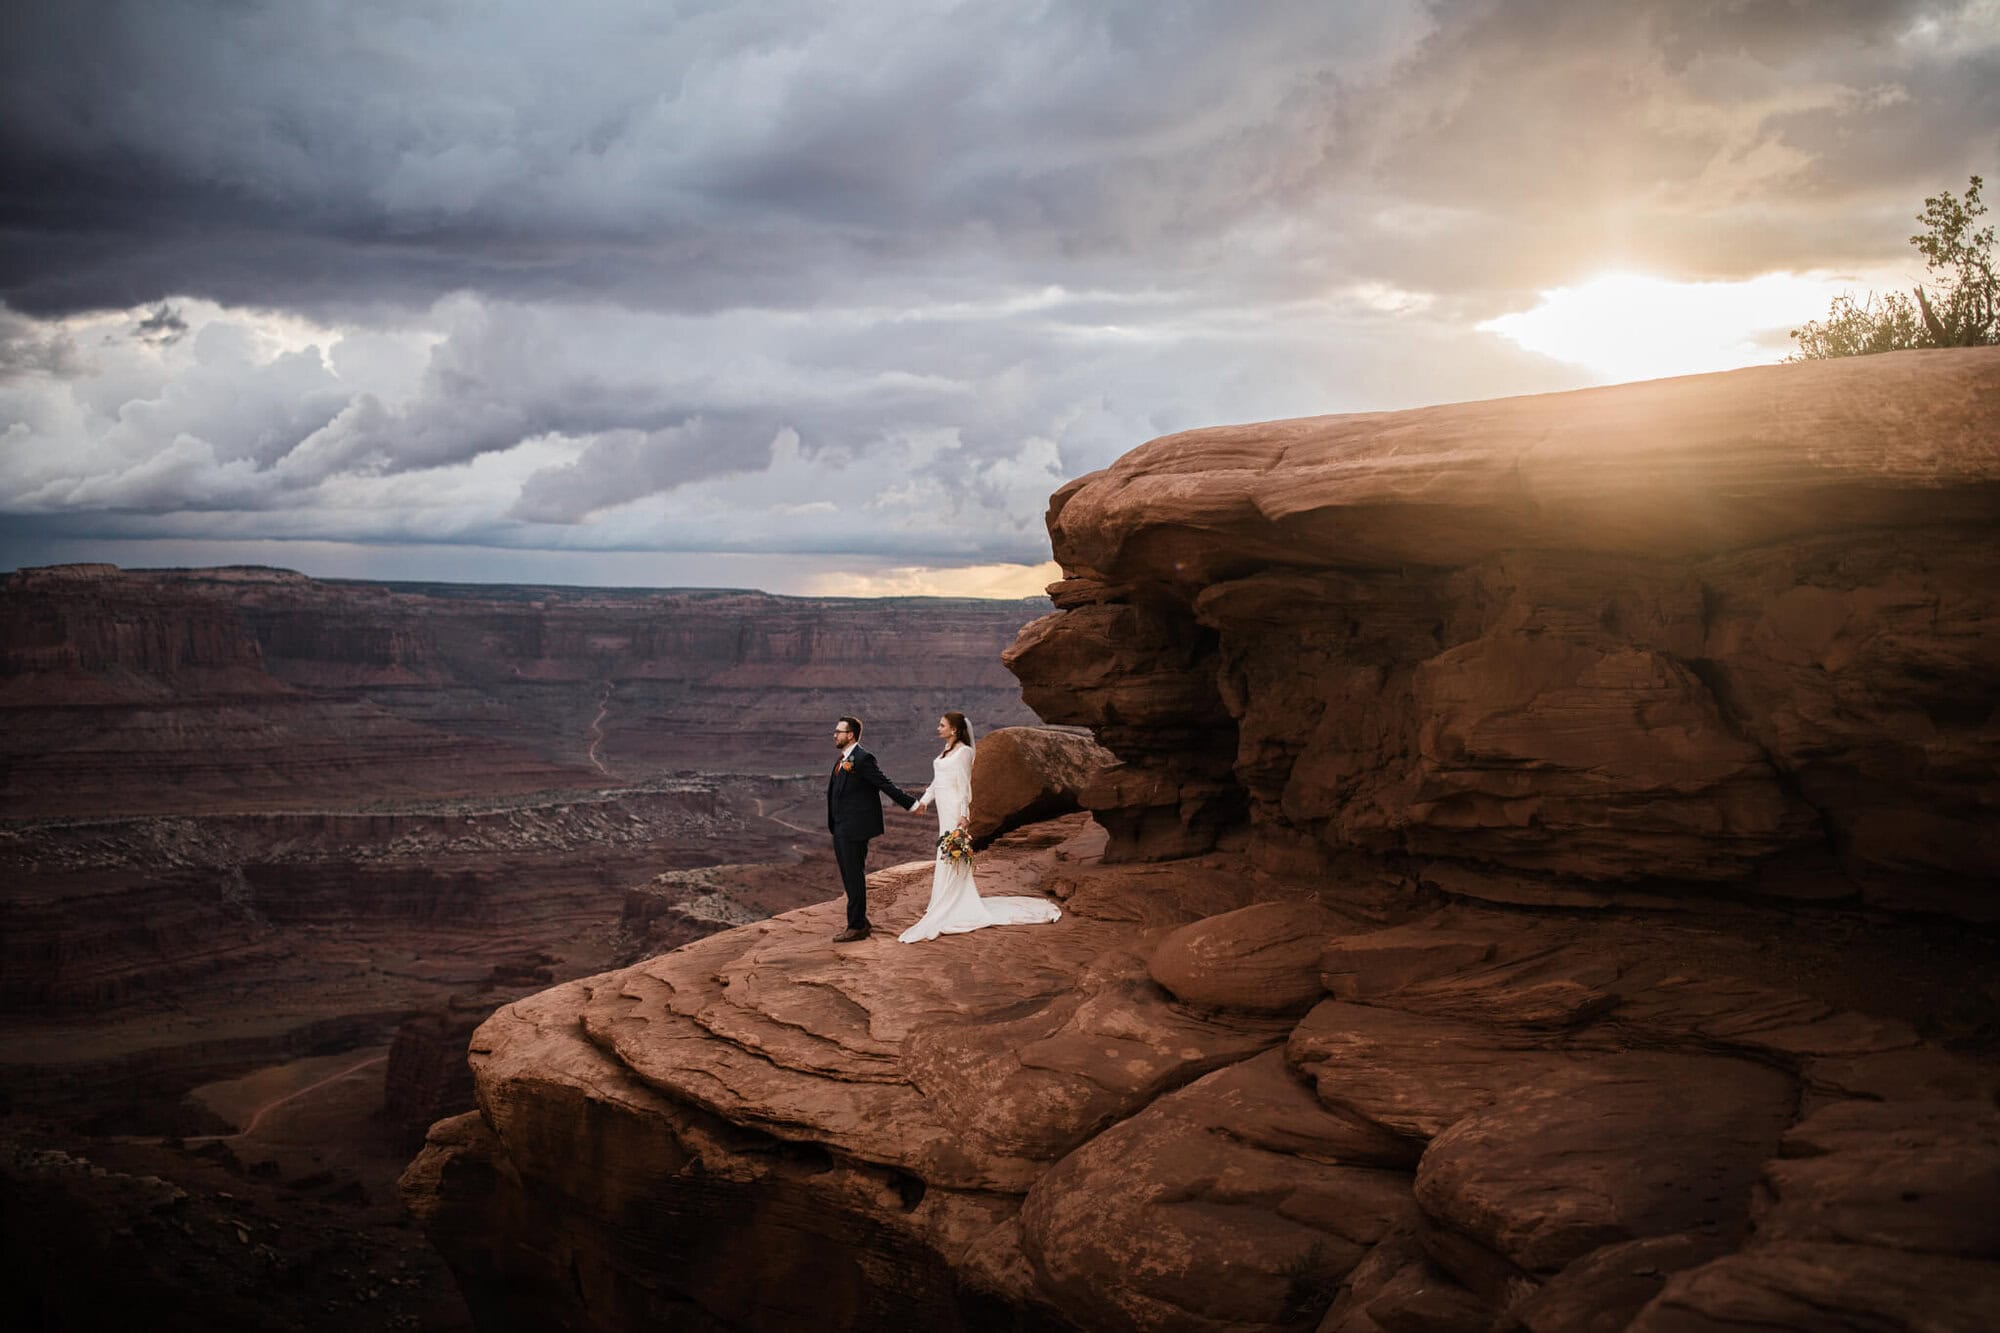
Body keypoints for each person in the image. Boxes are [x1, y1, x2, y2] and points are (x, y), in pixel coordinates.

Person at [899, 711, 1062, 944]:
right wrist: (924, 802)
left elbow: (965, 784)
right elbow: (938, 780)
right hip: (943, 808)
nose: (938, 728)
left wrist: (964, 814)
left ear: (954, 729)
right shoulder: (946, 751)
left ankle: (957, 899)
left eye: (942, 725)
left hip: (955, 807)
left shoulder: (964, 752)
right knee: (944, 851)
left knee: (952, 851)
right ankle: (943, 899)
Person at [826, 715, 916, 942]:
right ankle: (860, 920)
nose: (834, 734)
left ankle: (856, 926)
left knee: (854, 876)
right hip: (840, 827)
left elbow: (883, 784)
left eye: (839, 731)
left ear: (851, 735)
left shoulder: (863, 759)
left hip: (854, 829)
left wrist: (911, 803)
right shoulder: (842, 759)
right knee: (848, 875)